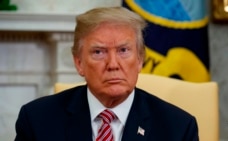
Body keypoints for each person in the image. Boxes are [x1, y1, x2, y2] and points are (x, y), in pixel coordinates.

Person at [15, 7, 199, 141]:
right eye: (99, 52)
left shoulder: (178, 128)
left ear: (140, 60)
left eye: (123, 50)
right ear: (79, 63)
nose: (112, 64)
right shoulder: (37, 121)